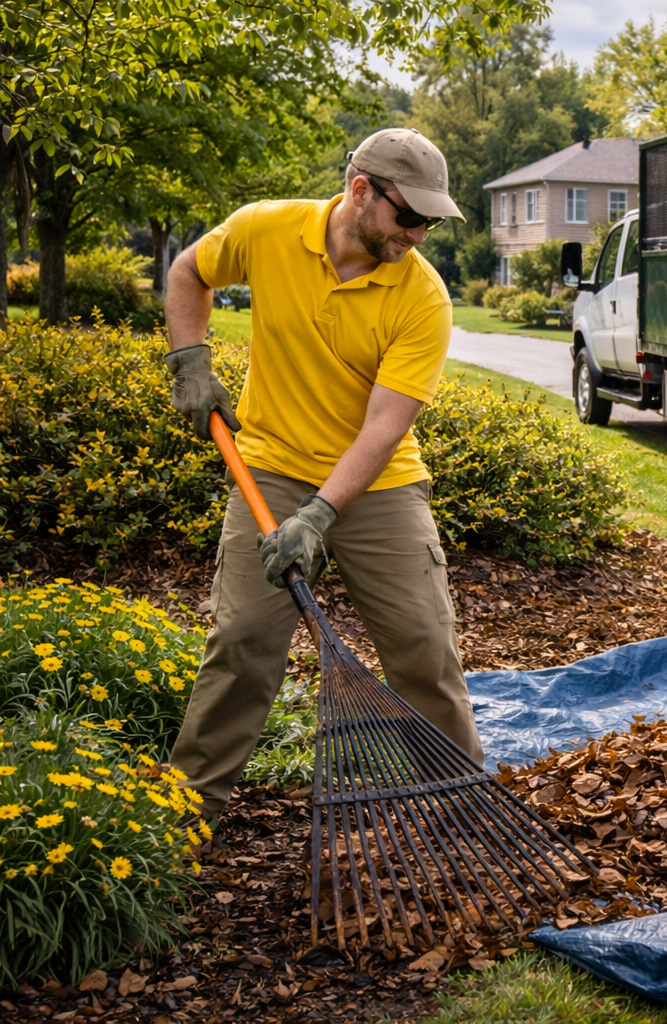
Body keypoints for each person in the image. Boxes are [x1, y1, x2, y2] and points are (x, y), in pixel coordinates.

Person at [161, 127, 486, 823]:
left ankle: (461, 806)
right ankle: (187, 816)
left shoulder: (423, 298)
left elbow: (384, 427)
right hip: (272, 467)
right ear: (360, 190)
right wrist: (189, 360)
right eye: (409, 216)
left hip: (379, 484)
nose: (419, 234)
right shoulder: (266, 230)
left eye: (432, 221)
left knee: (424, 648)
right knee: (243, 638)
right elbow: (189, 271)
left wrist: (320, 515)